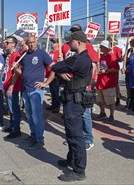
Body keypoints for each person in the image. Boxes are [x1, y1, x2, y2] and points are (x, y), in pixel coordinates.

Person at [51, 31, 92, 182]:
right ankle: (71, 160)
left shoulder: (79, 59)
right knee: (71, 134)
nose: (69, 44)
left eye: (71, 41)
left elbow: (56, 67)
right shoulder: (79, 58)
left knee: (75, 136)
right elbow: (59, 70)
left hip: (75, 101)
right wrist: (62, 73)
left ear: (79, 42)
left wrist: (61, 70)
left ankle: (79, 170)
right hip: (72, 99)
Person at [12, 34, 55, 150]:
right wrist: (16, 68)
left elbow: (54, 68)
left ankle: (39, 140)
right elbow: (22, 73)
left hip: (36, 90)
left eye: (33, 42)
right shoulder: (24, 55)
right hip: (26, 88)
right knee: (29, 115)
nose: (31, 44)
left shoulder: (41, 54)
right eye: (29, 43)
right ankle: (33, 135)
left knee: (37, 116)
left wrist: (46, 83)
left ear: (36, 42)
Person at [2, 36, 23, 139]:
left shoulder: (16, 55)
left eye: (7, 42)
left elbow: (16, 73)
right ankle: (12, 125)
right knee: (10, 108)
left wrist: (11, 86)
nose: (5, 44)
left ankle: (16, 129)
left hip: (13, 87)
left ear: (13, 44)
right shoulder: (9, 55)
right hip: (7, 84)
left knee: (14, 108)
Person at [96, 40, 120, 123]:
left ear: (106, 48)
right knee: (100, 99)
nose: (100, 48)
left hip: (108, 82)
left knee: (110, 100)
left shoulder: (112, 56)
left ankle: (111, 115)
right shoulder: (102, 56)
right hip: (100, 81)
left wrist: (106, 71)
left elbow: (116, 69)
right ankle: (102, 112)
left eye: (102, 47)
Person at [45, 38, 61, 113]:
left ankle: (57, 106)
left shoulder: (59, 52)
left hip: (55, 75)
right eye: (52, 42)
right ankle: (54, 104)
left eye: (54, 42)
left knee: (56, 90)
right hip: (49, 74)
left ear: (58, 44)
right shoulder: (51, 52)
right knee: (52, 90)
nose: (52, 44)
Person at [107, 36, 123, 106]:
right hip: (107, 68)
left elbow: (120, 58)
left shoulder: (116, 49)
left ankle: (118, 98)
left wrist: (116, 59)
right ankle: (109, 98)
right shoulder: (107, 49)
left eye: (111, 42)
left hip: (114, 68)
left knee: (115, 83)